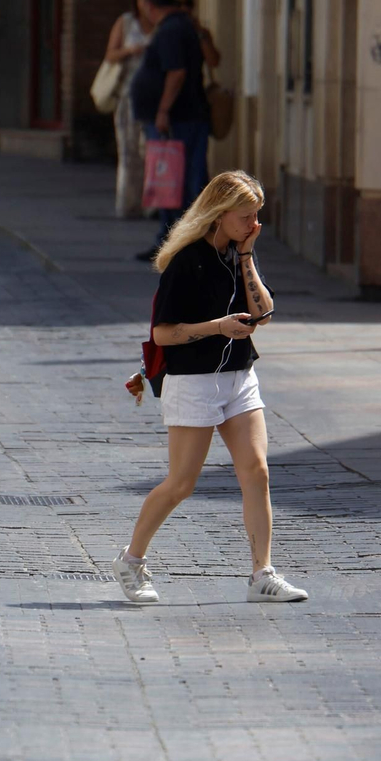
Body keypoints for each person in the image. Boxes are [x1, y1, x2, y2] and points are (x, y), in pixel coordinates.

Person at [113, 170, 308, 607]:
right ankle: (131, 560)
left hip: (239, 377)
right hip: (193, 383)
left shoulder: (237, 256)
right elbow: (163, 334)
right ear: (220, 215)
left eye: (257, 215)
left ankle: (263, 573)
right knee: (182, 484)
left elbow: (265, 314)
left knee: (256, 472)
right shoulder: (187, 261)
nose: (253, 224)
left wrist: (248, 256)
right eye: (246, 216)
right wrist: (217, 327)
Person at [129, 0, 209, 261]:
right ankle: (171, 239)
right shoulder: (178, 27)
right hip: (181, 118)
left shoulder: (172, 30)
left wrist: (162, 110)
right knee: (173, 183)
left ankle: (180, 242)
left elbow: (176, 73)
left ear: (149, 5)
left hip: (177, 120)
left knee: (175, 182)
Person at [103, 0, 155, 218]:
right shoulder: (125, 22)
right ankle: (127, 203)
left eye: (149, 0)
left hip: (154, 96)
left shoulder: (161, 24)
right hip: (127, 95)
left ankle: (152, 204)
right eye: (142, 0)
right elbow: (110, 55)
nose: (145, 5)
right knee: (127, 150)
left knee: (150, 149)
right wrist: (129, 51)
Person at [172, 0, 222, 72]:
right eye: (178, 4)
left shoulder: (200, 32)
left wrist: (199, 33)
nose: (184, 8)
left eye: (188, 3)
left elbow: (213, 62)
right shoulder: (163, 31)